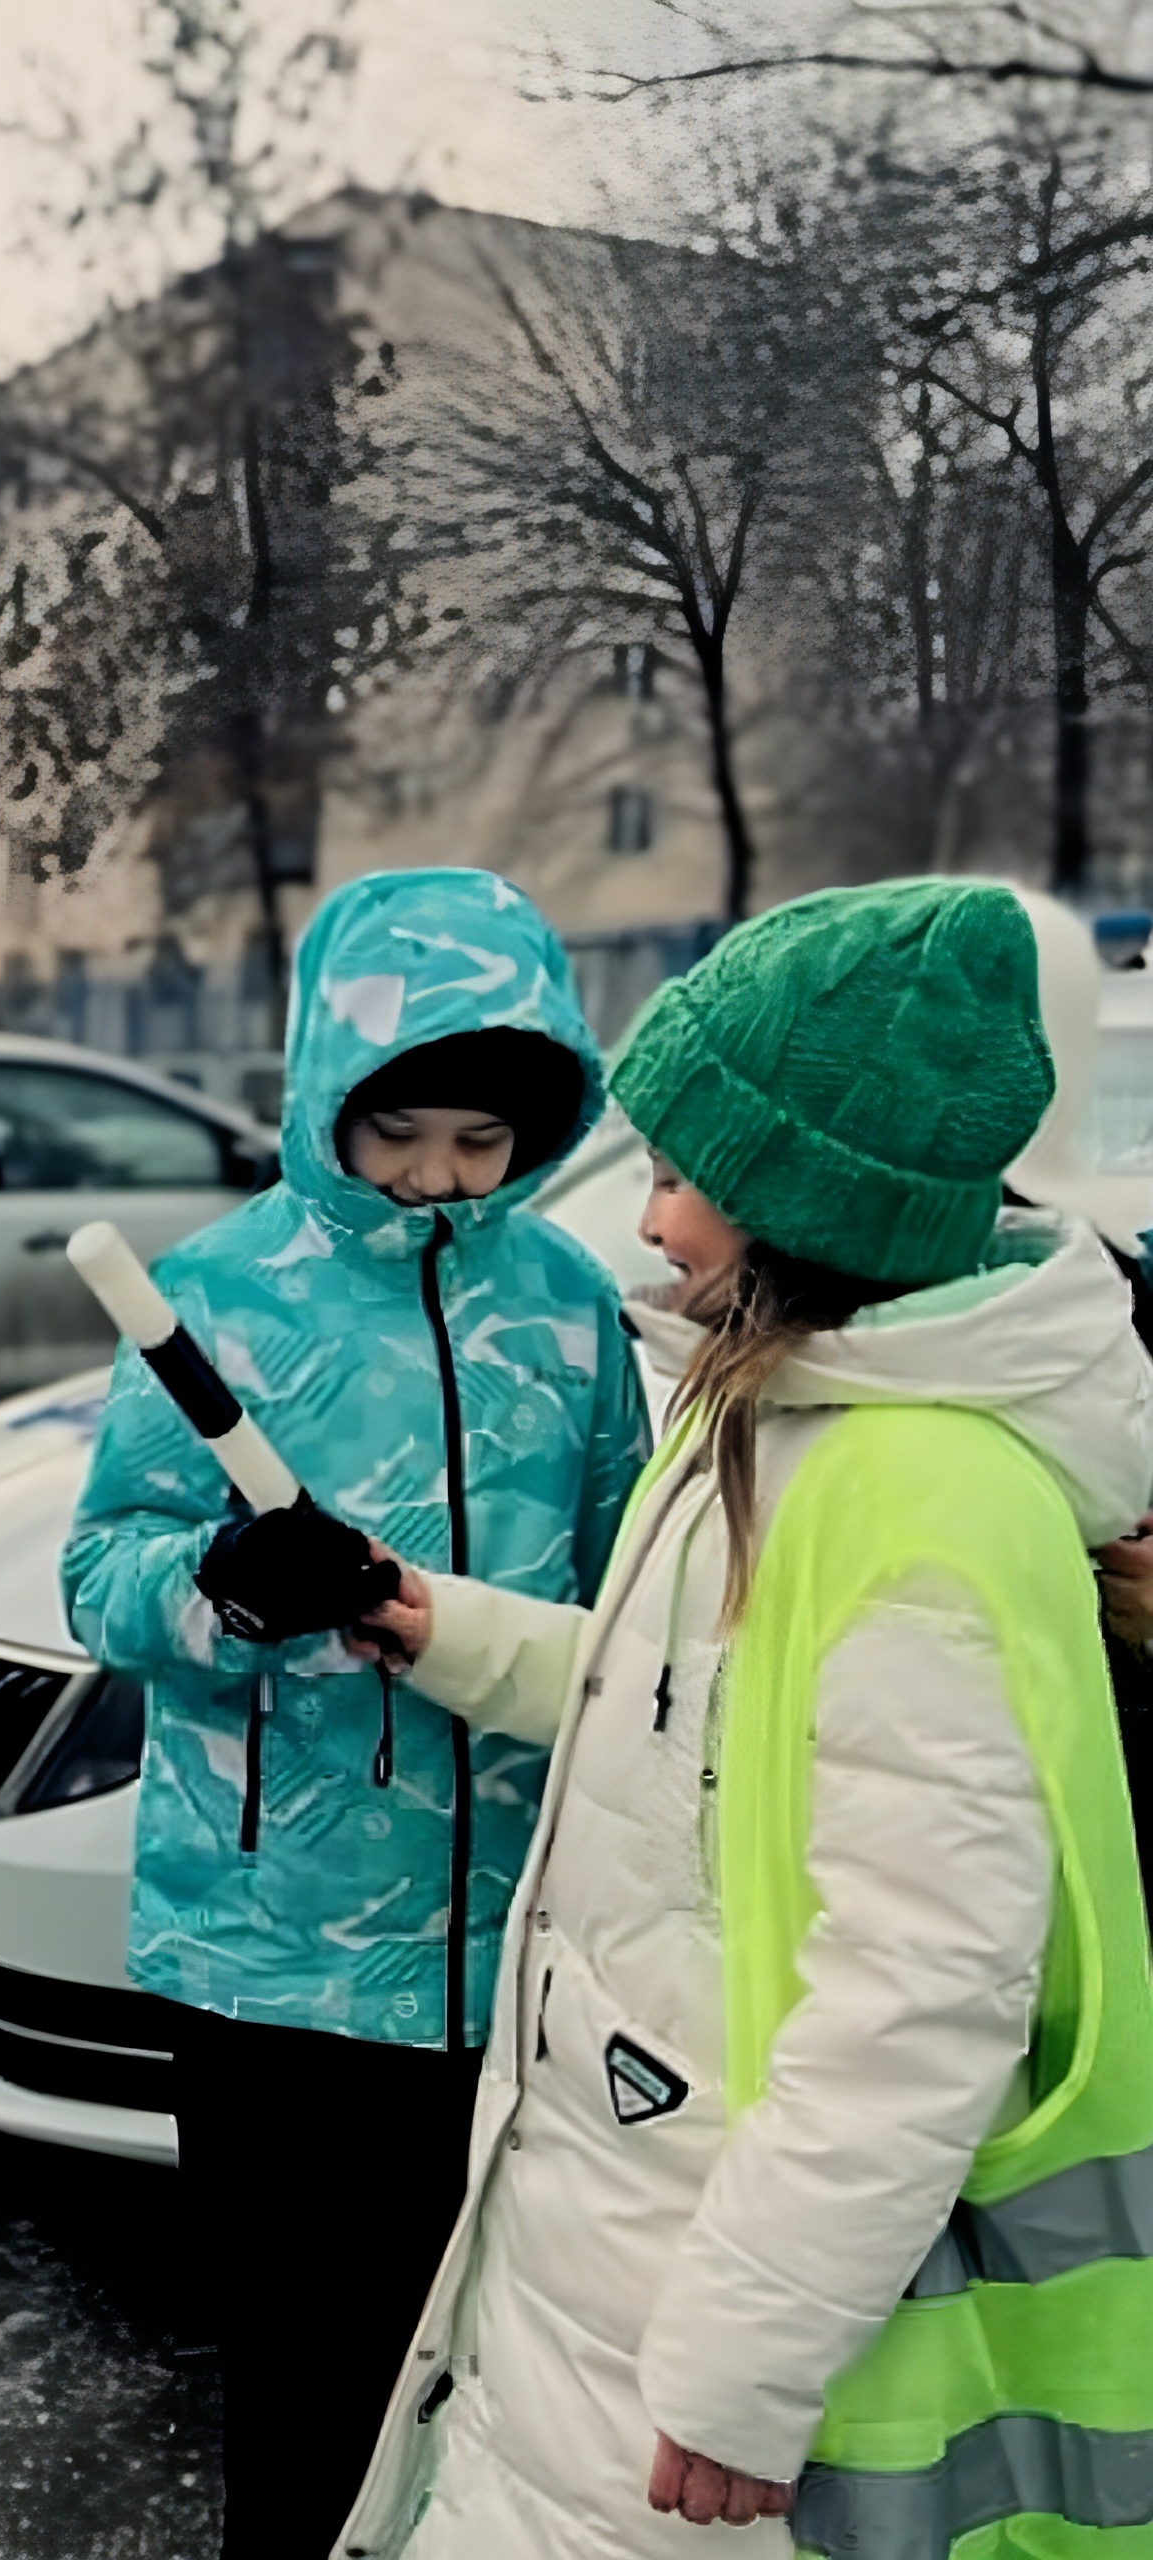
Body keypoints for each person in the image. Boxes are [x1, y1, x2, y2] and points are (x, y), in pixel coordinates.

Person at [339, 878, 1153, 2560]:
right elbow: (698, 1732)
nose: (645, 1222)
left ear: (800, 1199)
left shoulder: (919, 1499)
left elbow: (924, 1988)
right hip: (602, 2237)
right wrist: (449, 1631)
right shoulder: (781, 1422)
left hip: (693, 2318)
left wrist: (744, 2363)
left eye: (677, 1173)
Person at [60, 866, 649, 2560]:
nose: (439, 1180)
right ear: (333, 1091)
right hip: (274, 1957)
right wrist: (227, 1586)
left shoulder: (562, 1304)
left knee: (493, 2368)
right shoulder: (222, 1295)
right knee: (308, 2382)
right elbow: (103, 1578)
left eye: (480, 1141)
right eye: (402, 1134)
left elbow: (621, 1584)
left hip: (516, 1942)